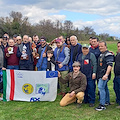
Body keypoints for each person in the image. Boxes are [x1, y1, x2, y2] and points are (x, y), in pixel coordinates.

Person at [95, 41, 114, 111]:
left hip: (104, 75)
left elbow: (110, 65)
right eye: (99, 46)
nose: (100, 47)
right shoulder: (101, 54)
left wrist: (106, 74)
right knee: (105, 87)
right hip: (100, 74)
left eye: (102, 46)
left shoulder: (108, 54)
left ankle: (102, 105)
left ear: (105, 46)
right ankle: (107, 101)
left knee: (100, 87)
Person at [113, 41, 120, 109]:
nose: (119, 48)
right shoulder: (118, 54)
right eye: (118, 46)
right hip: (116, 75)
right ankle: (118, 101)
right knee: (116, 88)